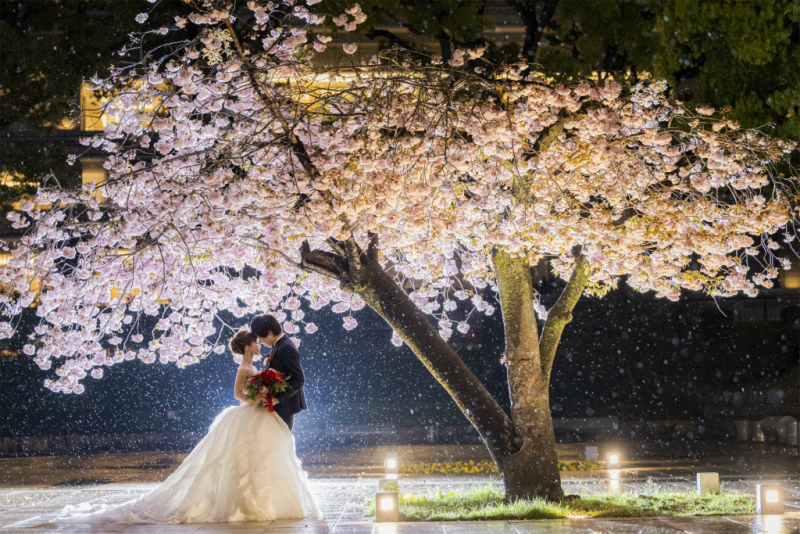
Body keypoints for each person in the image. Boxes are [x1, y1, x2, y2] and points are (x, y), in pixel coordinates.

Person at [53, 329, 320, 525]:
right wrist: (258, 397)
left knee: (261, 460)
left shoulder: (254, 366)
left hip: (257, 415)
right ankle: (246, 503)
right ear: (248, 347)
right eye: (255, 342)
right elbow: (238, 395)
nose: (259, 344)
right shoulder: (244, 369)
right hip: (249, 414)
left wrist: (263, 395)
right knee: (242, 461)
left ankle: (263, 501)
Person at [250, 314, 307, 431]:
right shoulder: (280, 345)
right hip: (280, 405)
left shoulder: (285, 347)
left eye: (261, 337)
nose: (260, 341)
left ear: (270, 332)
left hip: (284, 405)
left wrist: (276, 400)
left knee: (280, 442)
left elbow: (299, 379)